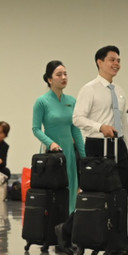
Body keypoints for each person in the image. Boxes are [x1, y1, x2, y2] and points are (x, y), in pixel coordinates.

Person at [72, 45, 128, 255]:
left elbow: (125, 126)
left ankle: (120, 245)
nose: (116, 64)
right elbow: (77, 118)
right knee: (98, 198)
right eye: (112, 60)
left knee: (120, 197)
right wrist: (100, 126)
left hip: (118, 147)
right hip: (97, 146)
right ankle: (73, 232)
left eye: (118, 60)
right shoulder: (89, 89)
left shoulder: (119, 91)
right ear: (99, 62)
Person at [31, 59, 86, 212]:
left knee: (72, 189)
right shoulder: (42, 102)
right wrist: (51, 143)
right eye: (59, 74)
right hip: (51, 155)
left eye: (65, 74)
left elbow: (75, 130)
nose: (64, 77)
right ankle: (53, 228)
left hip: (69, 153)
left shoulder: (72, 101)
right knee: (54, 192)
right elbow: (36, 128)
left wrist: (84, 155)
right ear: (49, 79)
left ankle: (68, 228)